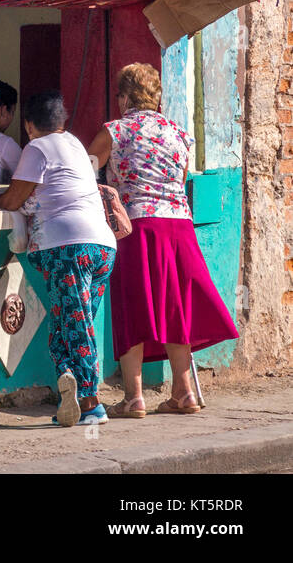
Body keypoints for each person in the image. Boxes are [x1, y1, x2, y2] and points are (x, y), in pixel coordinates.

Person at [88, 63, 237, 418]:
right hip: (179, 228)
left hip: (135, 227)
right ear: (157, 98)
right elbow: (179, 180)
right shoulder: (179, 134)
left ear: (123, 98)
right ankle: (184, 392)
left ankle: (133, 397)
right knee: (176, 306)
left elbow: (84, 171)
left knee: (131, 304)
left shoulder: (115, 131)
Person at [0, 90, 116, 427]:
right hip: (102, 247)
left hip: (68, 248)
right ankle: (68, 384)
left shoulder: (36, 148)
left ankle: (91, 402)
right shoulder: (75, 146)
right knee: (68, 324)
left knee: (75, 324)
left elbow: (14, 199)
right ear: (62, 121)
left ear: (28, 125)